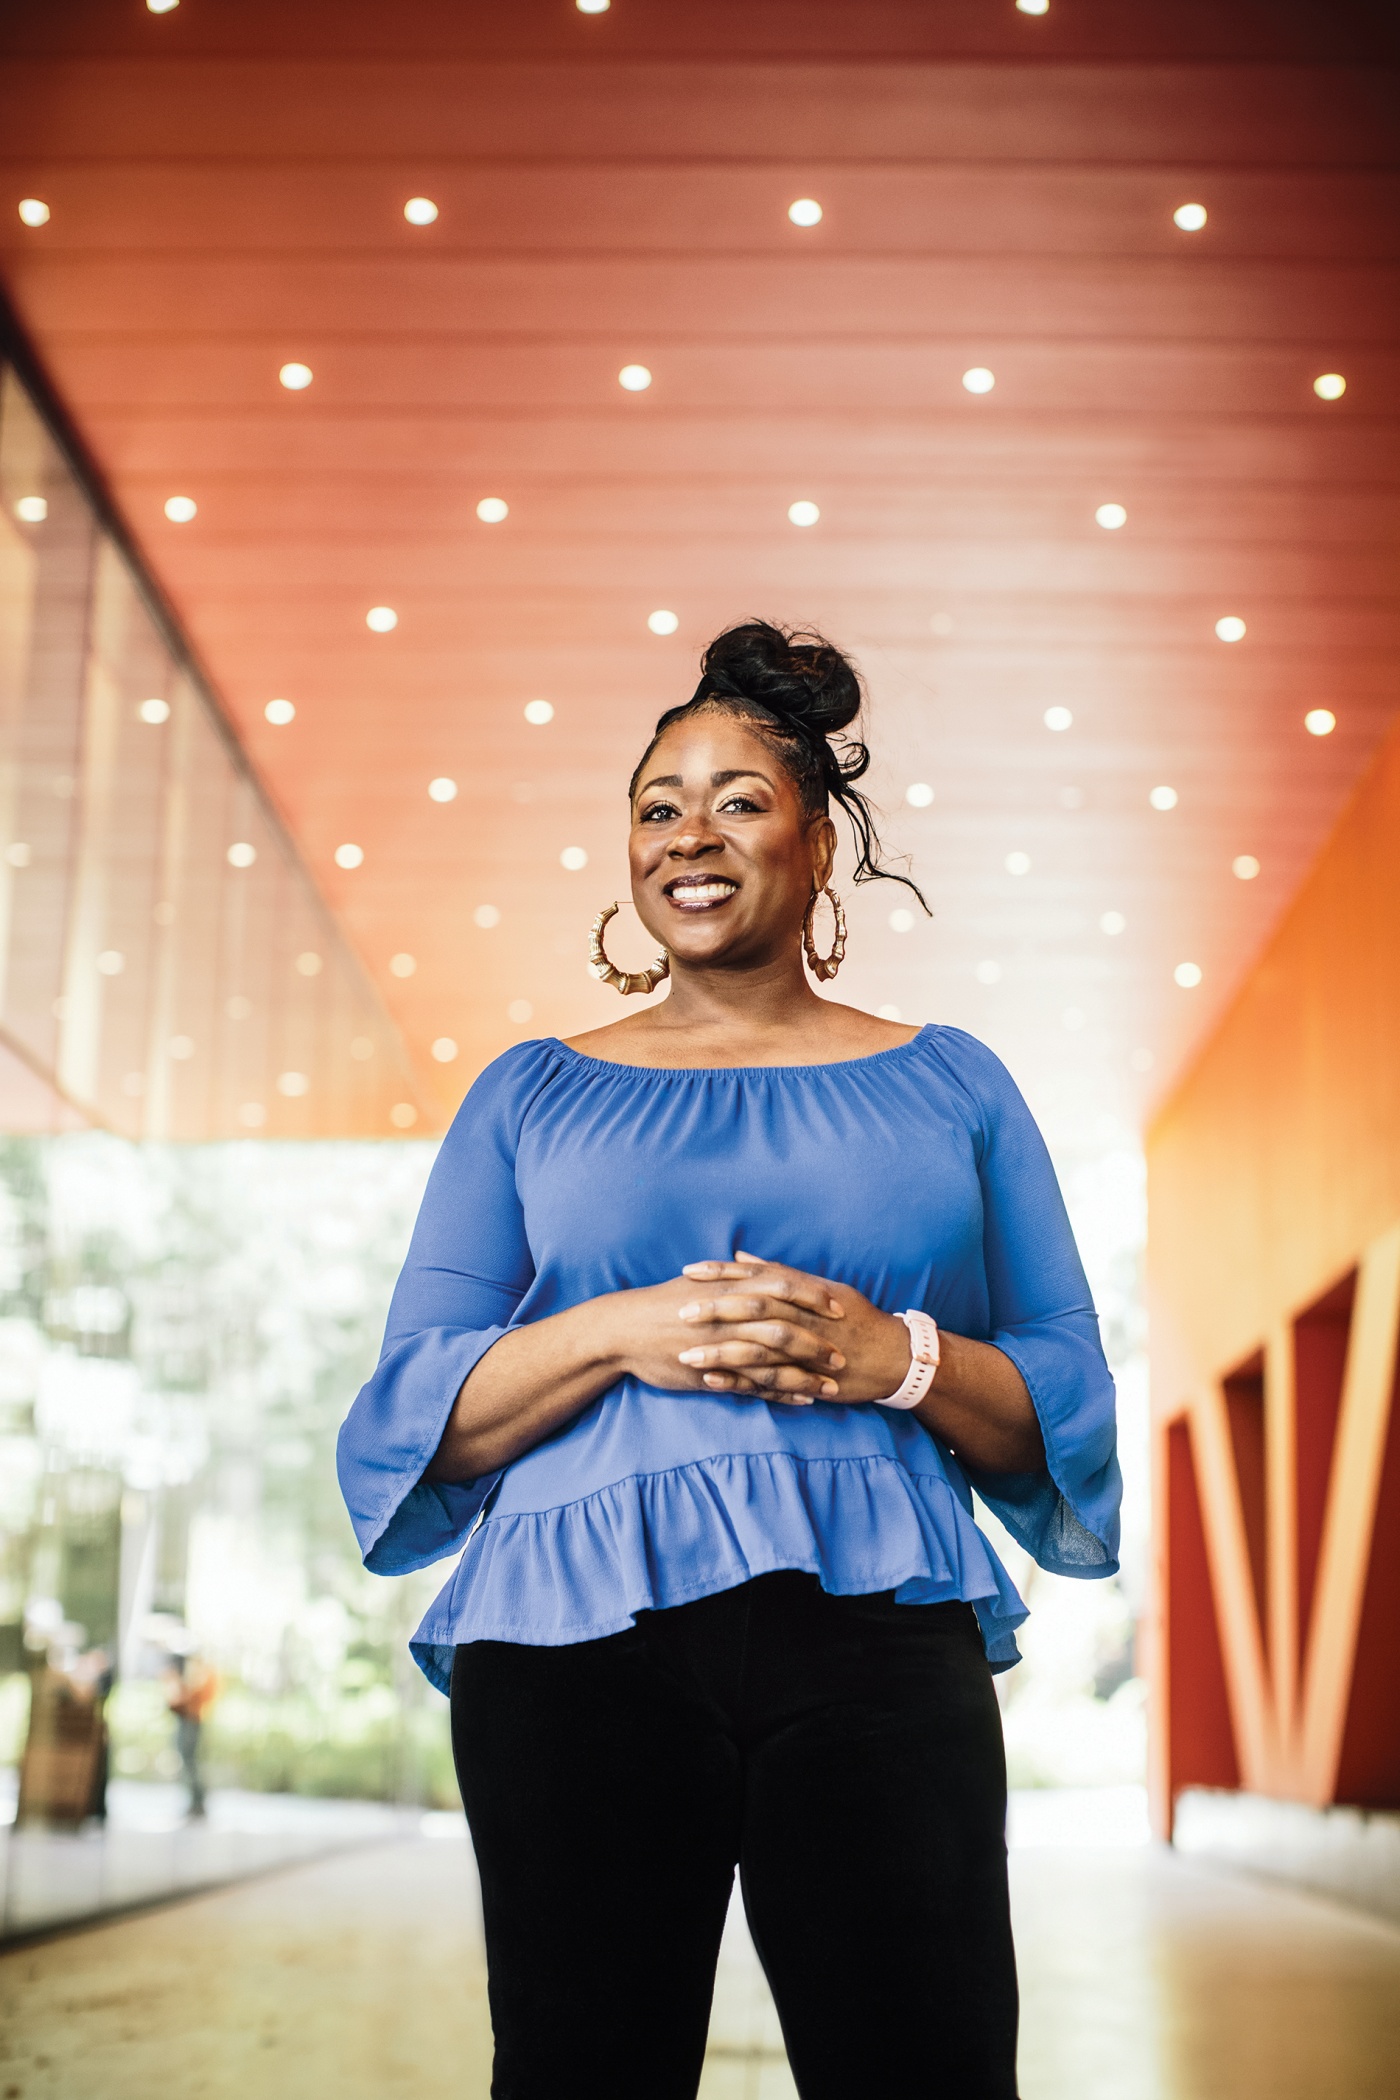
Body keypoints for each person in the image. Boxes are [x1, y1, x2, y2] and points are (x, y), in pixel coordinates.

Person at [339, 620, 1120, 2100]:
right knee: (582, 2073)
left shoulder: (954, 1080)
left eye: (739, 800)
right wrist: (620, 1328)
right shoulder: (530, 1092)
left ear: (820, 847)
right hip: (568, 1641)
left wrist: (894, 1356)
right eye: (656, 805)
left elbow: (1057, 1406)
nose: (688, 836)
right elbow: (419, 1413)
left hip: (881, 1627)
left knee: (929, 2068)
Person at [166, 1648, 218, 1819]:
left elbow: (194, 1699)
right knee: (187, 1761)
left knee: (190, 1762)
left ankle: (198, 1802)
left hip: (192, 1720)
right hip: (187, 1719)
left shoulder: (203, 1675)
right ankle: (195, 1802)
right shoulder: (194, 1674)